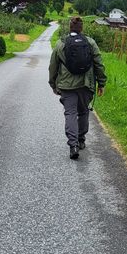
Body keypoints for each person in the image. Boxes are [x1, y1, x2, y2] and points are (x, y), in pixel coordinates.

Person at [48, 17, 107, 159]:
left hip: (67, 86)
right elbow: (99, 64)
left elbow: (53, 66)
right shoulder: (90, 42)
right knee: (83, 112)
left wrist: (53, 83)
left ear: (70, 28)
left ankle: (73, 145)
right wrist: (101, 83)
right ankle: (81, 140)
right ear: (82, 28)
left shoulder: (60, 44)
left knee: (70, 114)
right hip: (86, 85)